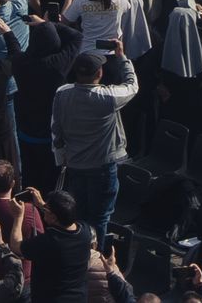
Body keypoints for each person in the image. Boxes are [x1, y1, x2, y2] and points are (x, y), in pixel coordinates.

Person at [48, 40, 137, 247]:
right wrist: (122, 57)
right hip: (103, 169)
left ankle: (78, 253)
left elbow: (56, 129)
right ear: (99, 74)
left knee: (77, 215)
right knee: (100, 219)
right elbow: (132, 85)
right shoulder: (108, 97)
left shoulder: (62, 93)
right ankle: (95, 258)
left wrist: (61, 160)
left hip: (75, 166)